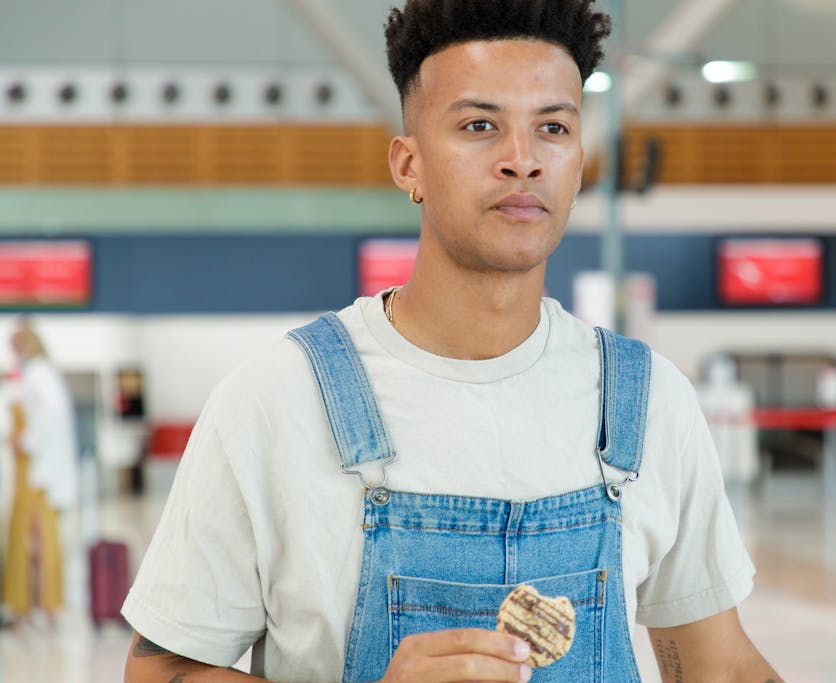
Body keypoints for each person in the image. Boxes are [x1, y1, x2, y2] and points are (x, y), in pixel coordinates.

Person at [123, 1, 783, 681]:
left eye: (552, 127)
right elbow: (160, 672)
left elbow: (720, 668)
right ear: (408, 165)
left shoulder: (648, 403)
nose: (522, 161)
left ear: (579, 160)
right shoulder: (276, 400)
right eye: (479, 126)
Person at [1, 320, 78, 627]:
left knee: (38, 538)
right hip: (29, 471)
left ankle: (44, 604)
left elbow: (51, 415)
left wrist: (26, 439)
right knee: (24, 536)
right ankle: (24, 605)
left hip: (38, 473)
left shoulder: (40, 375)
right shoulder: (32, 376)